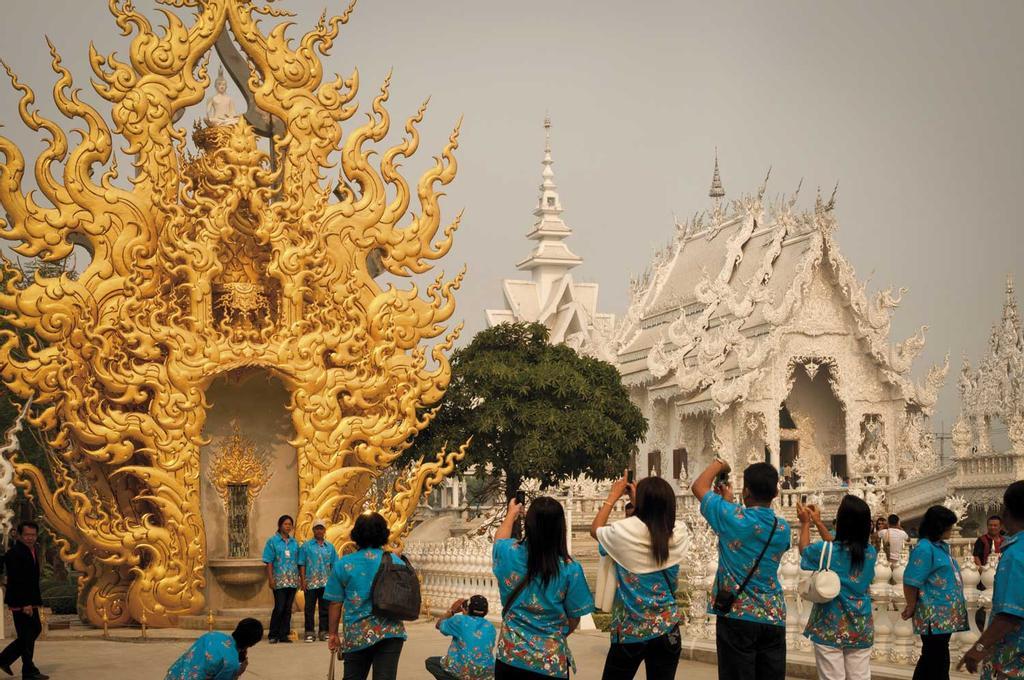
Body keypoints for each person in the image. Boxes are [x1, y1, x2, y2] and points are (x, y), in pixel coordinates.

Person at [691, 459, 791, 680]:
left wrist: (720, 464)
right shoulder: (783, 528)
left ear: (745, 491)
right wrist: (728, 505)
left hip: (737, 614)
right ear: (775, 492)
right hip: (772, 616)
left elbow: (698, 487)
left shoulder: (731, 517)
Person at [591, 473, 686, 680]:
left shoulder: (623, 535)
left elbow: (595, 530)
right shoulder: (677, 533)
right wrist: (642, 502)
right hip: (666, 626)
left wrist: (613, 496)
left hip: (630, 631)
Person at [493, 495, 594, 679]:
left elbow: (498, 540)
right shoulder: (571, 569)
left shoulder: (508, 553)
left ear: (529, 525)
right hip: (550, 662)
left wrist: (511, 514)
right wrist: (550, 637)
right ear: (560, 529)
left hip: (510, 658)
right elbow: (574, 619)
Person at [797, 496, 876, 680]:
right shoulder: (870, 553)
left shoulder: (828, 551)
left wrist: (806, 524)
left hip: (830, 625)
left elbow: (805, 550)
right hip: (860, 625)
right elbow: (834, 547)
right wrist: (817, 522)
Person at [325, 512, 406, 680]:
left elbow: (335, 603)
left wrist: (333, 634)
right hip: (390, 633)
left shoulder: (344, 564)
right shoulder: (396, 561)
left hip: (357, 633)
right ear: (384, 533)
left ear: (356, 535)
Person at [958, 480, 1024, 679]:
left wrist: (979, 648)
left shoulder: (1015, 554)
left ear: (1007, 513)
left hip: (1013, 658)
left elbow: (1009, 615)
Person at [902, 505, 968, 680]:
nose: (951, 529)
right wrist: (911, 605)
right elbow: (911, 580)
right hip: (933, 614)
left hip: (944, 614)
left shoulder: (939, 546)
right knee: (933, 657)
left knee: (938, 657)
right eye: (948, 525)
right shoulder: (924, 548)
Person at [0, 522, 47, 680]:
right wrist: (26, 603)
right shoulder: (15, 553)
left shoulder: (31, 550)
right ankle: (5, 660)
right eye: (27, 535)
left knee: (28, 635)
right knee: (30, 632)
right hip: (21, 602)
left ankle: (28, 670)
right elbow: (18, 580)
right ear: (20, 535)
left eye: (33, 535)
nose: (30, 538)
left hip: (29, 600)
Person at [165, 617, 263, 680]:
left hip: (173, 676)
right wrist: (237, 673)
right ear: (251, 644)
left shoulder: (212, 635)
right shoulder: (231, 663)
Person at [425, 595, 496, 680]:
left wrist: (452, 611)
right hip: (486, 673)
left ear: (467, 609)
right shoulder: (490, 627)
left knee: (430, 662)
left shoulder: (460, 620)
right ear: (487, 611)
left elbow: (439, 624)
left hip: (462, 670)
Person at [298, 518, 337, 643]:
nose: (319, 531)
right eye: (317, 528)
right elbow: (302, 564)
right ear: (313, 530)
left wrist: (334, 582)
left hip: (325, 582)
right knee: (309, 608)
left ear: (324, 530)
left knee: (324, 608)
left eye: (321, 528)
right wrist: (303, 580)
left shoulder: (330, 547)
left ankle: (323, 631)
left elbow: (334, 565)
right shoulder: (306, 546)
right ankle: (309, 632)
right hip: (310, 582)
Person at [262, 514, 300, 644]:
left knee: (288, 608)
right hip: (279, 580)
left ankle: (284, 634)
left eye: (290, 524)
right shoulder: (272, 541)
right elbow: (269, 562)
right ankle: (273, 634)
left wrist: (299, 578)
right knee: (279, 607)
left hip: (292, 580)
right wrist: (271, 578)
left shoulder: (295, 543)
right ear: (280, 525)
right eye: (285, 524)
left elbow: (298, 561)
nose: (288, 526)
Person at [972, 515, 1005, 630]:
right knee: (983, 598)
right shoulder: (981, 540)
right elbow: (976, 556)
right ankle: (981, 625)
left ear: (1000, 526)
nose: (993, 527)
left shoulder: (1005, 540)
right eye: (990, 525)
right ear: (987, 526)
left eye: (995, 525)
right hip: (985, 575)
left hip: (1001, 575)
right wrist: (982, 570)